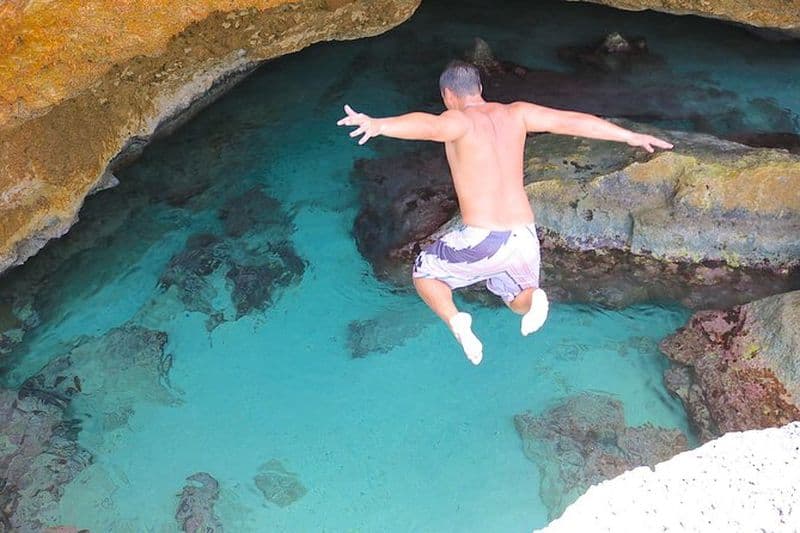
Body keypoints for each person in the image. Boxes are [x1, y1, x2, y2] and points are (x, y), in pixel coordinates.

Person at [337, 60, 673, 365]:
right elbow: (569, 120)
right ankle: (535, 298)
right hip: (524, 233)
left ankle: (457, 321)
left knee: (425, 274)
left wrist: (379, 124)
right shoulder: (517, 113)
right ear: (480, 88)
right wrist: (629, 135)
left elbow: (427, 126)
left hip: (486, 235)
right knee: (514, 297)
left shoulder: (458, 120)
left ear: (447, 95)